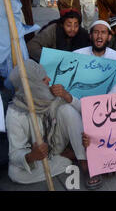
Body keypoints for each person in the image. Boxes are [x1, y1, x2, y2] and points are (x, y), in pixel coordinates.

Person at [6, 60, 100, 188]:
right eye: (44, 79)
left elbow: (84, 113)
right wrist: (30, 156)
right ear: (33, 86)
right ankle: (67, 159)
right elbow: (15, 153)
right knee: (15, 173)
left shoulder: (50, 95)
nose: (49, 79)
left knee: (67, 110)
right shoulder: (14, 114)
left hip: (56, 146)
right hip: (38, 159)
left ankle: (85, 164)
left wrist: (67, 96)